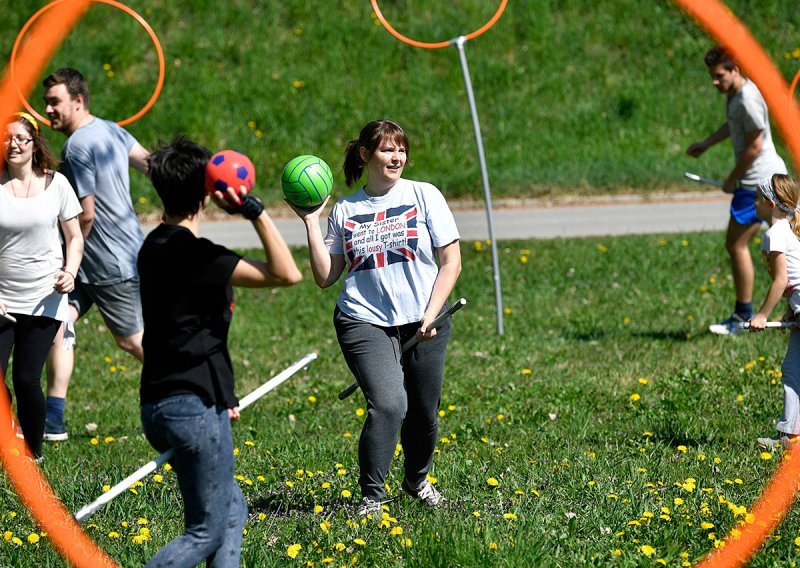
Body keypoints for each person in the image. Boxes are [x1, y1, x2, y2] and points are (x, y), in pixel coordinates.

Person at [139, 137, 302, 566]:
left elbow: (189, 332)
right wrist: (255, 212)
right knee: (205, 531)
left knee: (231, 514)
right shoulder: (197, 255)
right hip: (190, 407)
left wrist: (222, 396)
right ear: (207, 193)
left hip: (164, 402)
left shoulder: (152, 245)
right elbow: (287, 274)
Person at [290, 119, 462, 515]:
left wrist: (431, 315)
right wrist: (311, 221)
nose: (397, 156)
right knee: (388, 404)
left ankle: (417, 480)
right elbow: (325, 276)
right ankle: (372, 497)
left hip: (425, 318)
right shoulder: (346, 209)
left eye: (401, 149)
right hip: (363, 319)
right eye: (387, 150)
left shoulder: (424, 195)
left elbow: (450, 262)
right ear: (366, 155)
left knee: (423, 412)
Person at [41, 68, 150, 441]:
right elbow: (151, 165)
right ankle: (53, 419)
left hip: (106, 262)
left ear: (78, 100)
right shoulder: (110, 130)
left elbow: (85, 214)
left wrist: (66, 254)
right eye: (46, 103)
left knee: (132, 339)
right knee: (58, 321)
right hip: (110, 257)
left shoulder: (76, 147)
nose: (48, 110)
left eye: (55, 102)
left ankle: (193, 388)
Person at [686, 45, 788, 335]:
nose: (714, 82)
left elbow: (755, 145)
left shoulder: (748, 97)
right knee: (786, 242)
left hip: (762, 183)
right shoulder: (735, 95)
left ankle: (743, 315)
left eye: (719, 76)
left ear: (735, 70)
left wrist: (732, 179)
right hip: (758, 182)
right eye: (712, 76)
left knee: (737, 244)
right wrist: (706, 143)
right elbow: (734, 126)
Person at [0, 112, 83, 462]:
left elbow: (75, 237)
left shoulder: (57, 184)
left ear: (35, 144)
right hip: (1, 299)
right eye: (7, 138)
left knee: (26, 379)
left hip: (44, 299)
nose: (13, 144)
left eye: (21, 138)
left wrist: (70, 272)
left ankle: (33, 454)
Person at [748, 174, 800, 448]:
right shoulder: (790, 228)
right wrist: (793, 312)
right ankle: (789, 435)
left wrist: (762, 315)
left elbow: (781, 280)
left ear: (769, 203)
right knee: (792, 368)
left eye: (758, 198)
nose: (754, 202)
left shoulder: (776, 234)